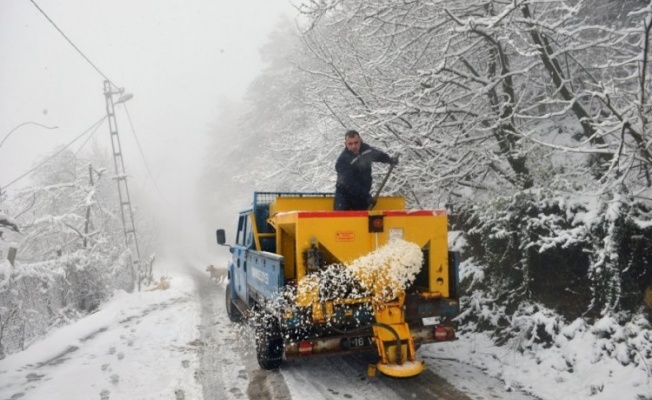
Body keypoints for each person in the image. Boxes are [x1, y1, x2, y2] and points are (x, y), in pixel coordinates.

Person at [334, 130, 398, 211]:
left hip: (362, 194)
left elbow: (378, 155)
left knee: (364, 221)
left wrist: (389, 160)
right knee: (341, 220)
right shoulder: (343, 160)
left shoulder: (366, 150)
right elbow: (349, 184)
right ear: (345, 144)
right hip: (345, 196)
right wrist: (366, 197)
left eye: (356, 142)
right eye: (350, 144)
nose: (354, 146)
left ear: (361, 140)